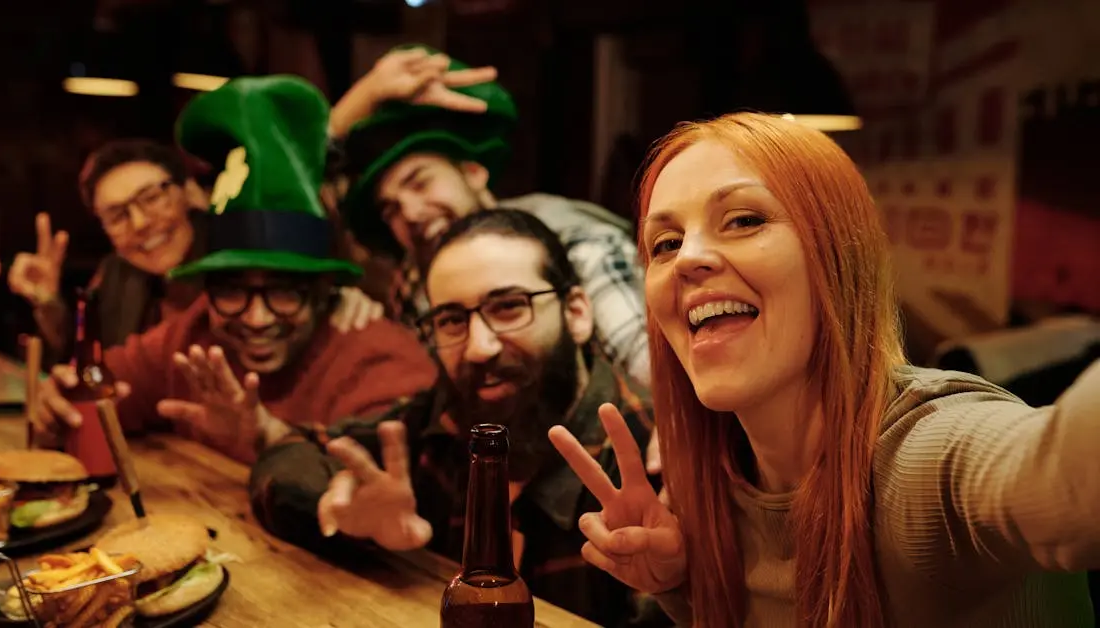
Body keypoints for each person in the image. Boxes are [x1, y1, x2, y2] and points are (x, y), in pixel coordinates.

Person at [548, 112, 1100, 627]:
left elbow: (1065, 481)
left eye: (743, 220)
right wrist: (679, 584)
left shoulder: (926, 457)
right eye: (666, 243)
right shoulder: (711, 483)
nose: (688, 258)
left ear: (837, 255)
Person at [248, 209, 670, 627]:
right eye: (451, 320)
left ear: (576, 313)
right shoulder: (442, 418)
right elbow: (288, 456)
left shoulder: (652, 454)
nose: (478, 347)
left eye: (508, 307)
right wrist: (336, 508)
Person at [29, 76, 437, 465]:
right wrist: (60, 402)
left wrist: (270, 438)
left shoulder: (381, 360)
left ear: (323, 289)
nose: (256, 318)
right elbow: (101, 387)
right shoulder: (191, 334)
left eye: (285, 292)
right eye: (232, 291)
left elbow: (384, 484)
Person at [330, 45, 652, 393]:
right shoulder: (414, 282)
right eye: (390, 209)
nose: (409, 213)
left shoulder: (576, 243)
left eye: (420, 182)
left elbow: (651, 366)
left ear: (473, 172)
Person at [9, 141, 381, 366]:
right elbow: (89, 366)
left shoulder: (242, 254)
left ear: (189, 192)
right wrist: (49, 304)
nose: (140, 222)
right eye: (117, 215)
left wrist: (337, 298)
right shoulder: (117, 274)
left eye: (151, 198)